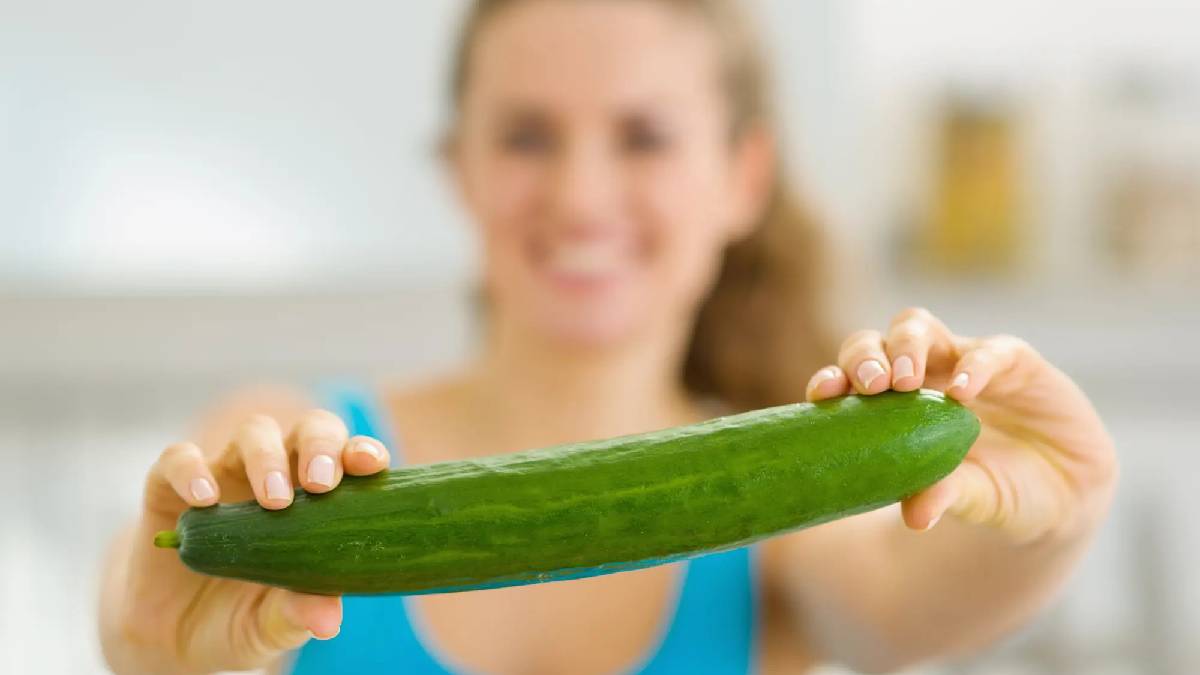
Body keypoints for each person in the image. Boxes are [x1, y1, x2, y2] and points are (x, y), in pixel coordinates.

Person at [97, 0, 1118, 673]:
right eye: (527, 135)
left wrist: (1059, 512)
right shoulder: (281, 452)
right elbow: (143, 614)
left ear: (743, 179)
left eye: (645, 137)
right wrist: (147, 647)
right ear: (459, 169)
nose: (582, 196)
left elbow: (904, 602)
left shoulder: (783, 515)